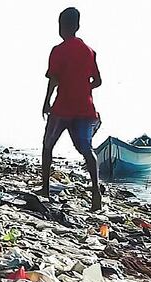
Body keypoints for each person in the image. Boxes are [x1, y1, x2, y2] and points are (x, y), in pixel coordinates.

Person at [40, 7, 103, 211]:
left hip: (62, 108)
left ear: (63, 26)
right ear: (77, 26)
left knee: (48, 145)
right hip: (85, 108)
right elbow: (98, 81)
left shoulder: (58, 50)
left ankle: (46, 189)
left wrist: (46, 101)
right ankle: (95, 190)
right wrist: (83, 87)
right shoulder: (89, 51)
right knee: (86, 149)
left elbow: (54, 80)